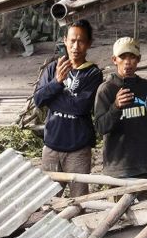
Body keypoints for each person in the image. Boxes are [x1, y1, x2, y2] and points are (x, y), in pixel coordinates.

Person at [32, 18, 101, 197]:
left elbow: (80, 107)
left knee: (79, 199)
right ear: (65, 40)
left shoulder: (93, 73)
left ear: (89, 43)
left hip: (78, 149)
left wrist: (52, 97)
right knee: (48, 200)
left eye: (81, 41)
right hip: (51, 146)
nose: (76, 46)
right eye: (72, 40)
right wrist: (56, 82)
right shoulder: (53, 68)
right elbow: (38, 99)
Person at [93, 37, 147, 181]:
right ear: (114, 59)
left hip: (145, 166)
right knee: (118, 205)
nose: (127, 62)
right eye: (122, 57)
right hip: (118, 168)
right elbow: (100, 127)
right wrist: (116, 107)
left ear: (139, 59)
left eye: (132, 57)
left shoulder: (145, 87)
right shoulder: (107, 89)